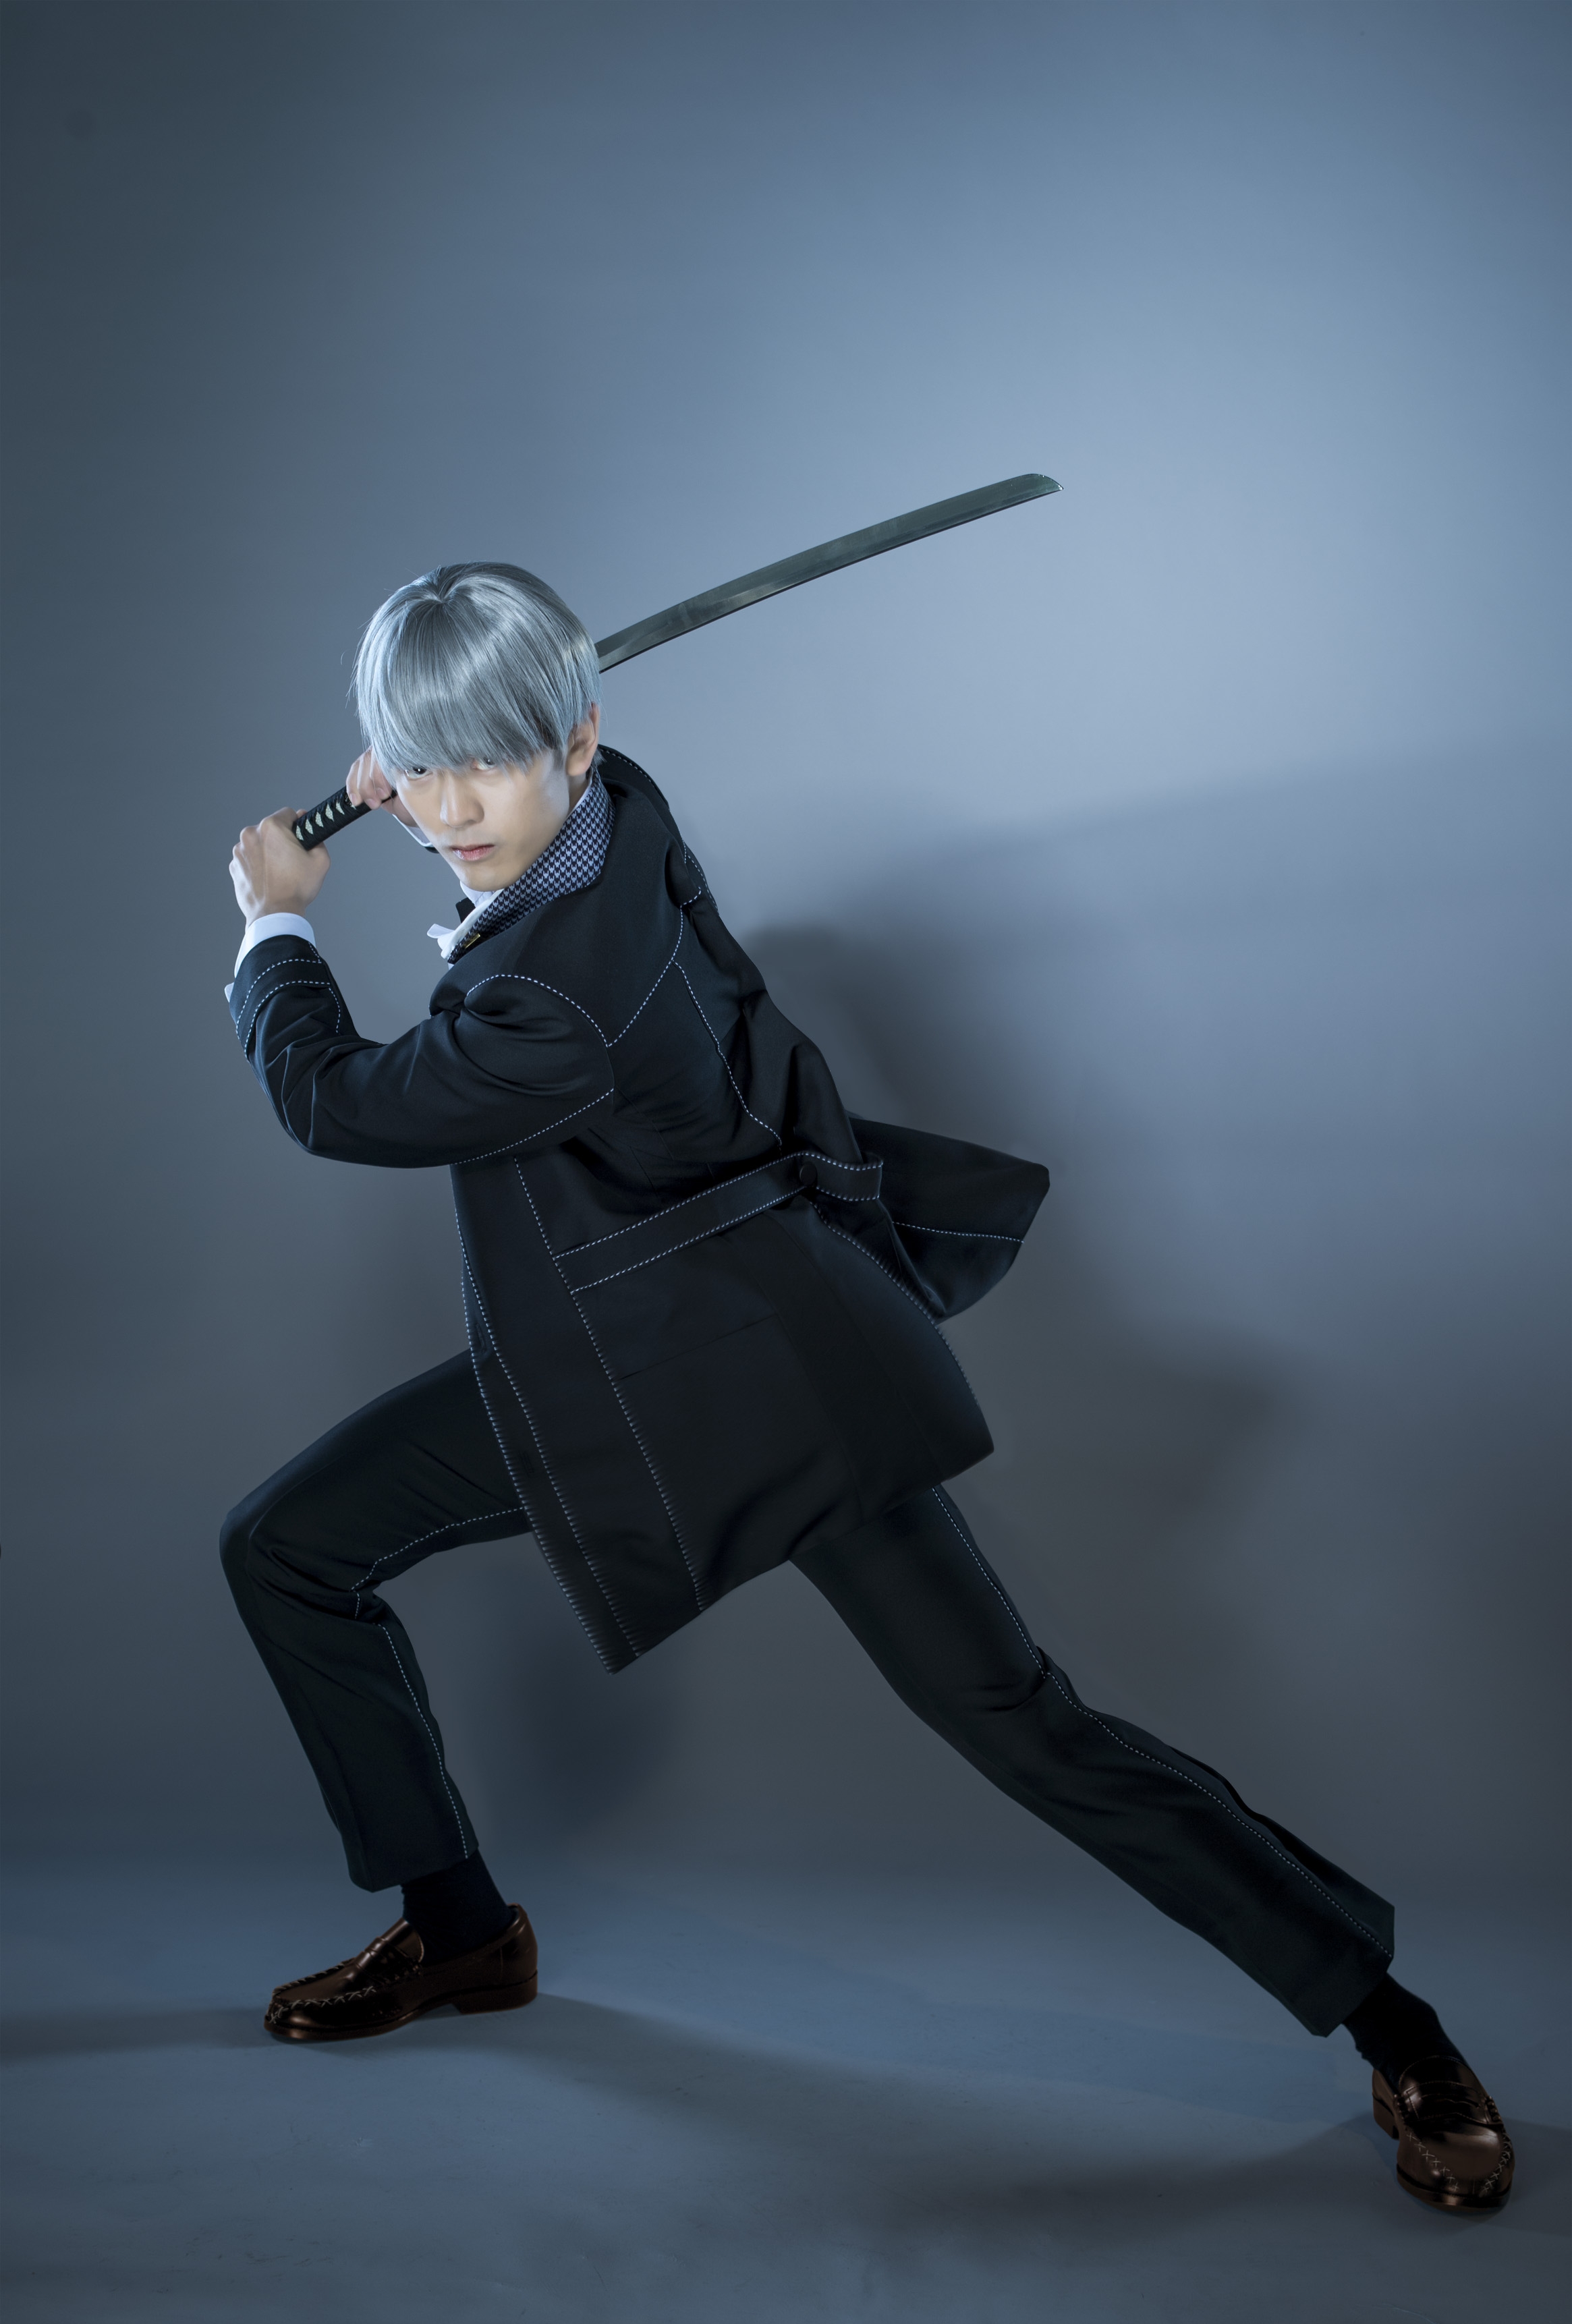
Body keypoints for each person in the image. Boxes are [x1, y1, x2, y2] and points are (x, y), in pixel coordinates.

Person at [222, 561, 1511, 2215]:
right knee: (288, 1548)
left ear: (580, 738)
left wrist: (274, 914)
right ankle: (461, 1930)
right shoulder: (620, 813)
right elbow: (494, 799)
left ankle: (1399, 2027)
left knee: (1025, 1725)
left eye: (488, 765)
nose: (452, 810)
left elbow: (335, 1100)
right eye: (421, 770)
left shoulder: (555, 996)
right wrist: (412, 767)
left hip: (774, 1386)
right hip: (613, 1363)